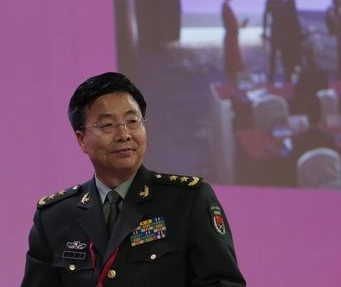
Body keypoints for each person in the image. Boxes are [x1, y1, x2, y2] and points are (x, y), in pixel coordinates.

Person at [21, 72, 246, 287]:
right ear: (81, 139)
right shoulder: (54, 217)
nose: (124, 134)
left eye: (132, 121)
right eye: (108, 125)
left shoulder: (189, 201)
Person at [262, 0, 287, 83]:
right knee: (281, 56)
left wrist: (264, 31)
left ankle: (271, 79)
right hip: (281, 30)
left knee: (273, 57)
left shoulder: (270, 0)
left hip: (275, 30)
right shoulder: (281, 1)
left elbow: (265, 16)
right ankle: (285, 79)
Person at [221, 0, 246, 84]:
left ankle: (233, 87)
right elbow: (231, 24)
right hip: (231, 39)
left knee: (233, 66)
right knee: (232, 66)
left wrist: (241, 25)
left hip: (232, 39)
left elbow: (232, 24)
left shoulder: (226, 6)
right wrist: (240, 25)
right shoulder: (225, 6)